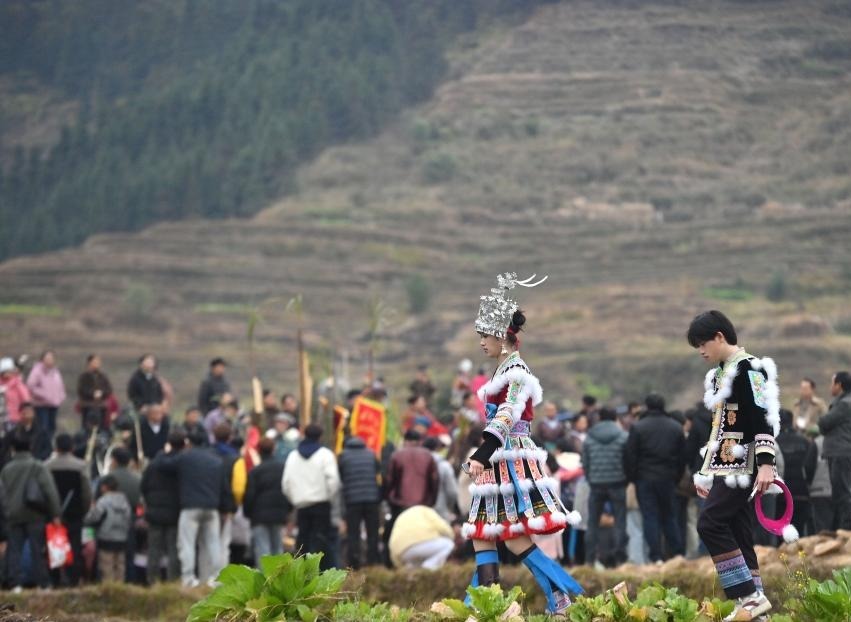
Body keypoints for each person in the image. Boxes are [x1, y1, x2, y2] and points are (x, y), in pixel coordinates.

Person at [462, 273, 582, 615]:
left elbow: (507, 415)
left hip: (508, 457)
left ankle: (558, 592)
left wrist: (481, 455)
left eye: (484, 335)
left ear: (502, 335)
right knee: (483, 532)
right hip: (496, 458)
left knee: (511, 535)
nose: (481, 342)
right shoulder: (502, 370)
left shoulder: (517, 371)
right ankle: (487, 605)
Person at [688, 310, 778, 620]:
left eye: (702, 343)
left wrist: (766, 463)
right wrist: (707, 472)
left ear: (719, 337)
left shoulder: (750, 368)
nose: (701, 351)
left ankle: (748, 596)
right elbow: (718, 428)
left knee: (709, 523)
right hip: (724, 464)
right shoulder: (719, 373)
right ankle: (756, 607)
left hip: (746, 463)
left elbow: (762, 415)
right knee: (739, 532)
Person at [159, 429, 232, 587]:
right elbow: (224, 486)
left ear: (188, 443)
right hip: (212, 507)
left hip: (190, 507)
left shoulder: (185, 457)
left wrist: (165, 452)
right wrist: (226, 508)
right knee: (213, 543)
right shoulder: (216, 460)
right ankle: (215, 579)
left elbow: (164, 465)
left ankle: (189, 579)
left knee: (187, 544)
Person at [624, 393, 685, 563]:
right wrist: (677, 477)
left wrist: (633, 478)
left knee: (650, 517)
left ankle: (656, 556)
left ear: (647, 406)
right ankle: (678, 553)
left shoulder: (638, 427)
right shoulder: (675, 427)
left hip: (645, 478)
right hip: (668, 478)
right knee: (670, 516)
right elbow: (682, 456)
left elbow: (630, 456)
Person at [1, 428, 62, 591]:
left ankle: (14, 584)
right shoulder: (38, 466)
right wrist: (55, 513)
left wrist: (6, 513)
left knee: (14, 551)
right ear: (30, 448)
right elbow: (50, 491)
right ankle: (43, 583)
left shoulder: (7, 470)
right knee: (37, 550)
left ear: (13, 450)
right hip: (35, 513)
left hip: (13, 514)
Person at [282, 423, 340, 570]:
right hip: (321, 504)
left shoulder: (293, 456)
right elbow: (333, 480)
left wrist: (295, 499)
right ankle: (321, 573)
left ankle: (302, 573)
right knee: (321, 541)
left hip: (301, 505)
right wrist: (329, 497)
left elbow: (286, 483)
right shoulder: (325, 455)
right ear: (320, 437)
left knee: (303, 541)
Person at [582, 407, 628, 568]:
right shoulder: (622, 435)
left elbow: (585, 463)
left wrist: (591, 478)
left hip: (596, 484)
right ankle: (620, 559)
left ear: (600, 418)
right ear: (615, 417)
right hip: (618, 483)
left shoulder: (589, 437)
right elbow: (627, 460)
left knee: (592, 523)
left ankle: (589, 560)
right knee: (620, 522)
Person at [46, 433, 92, 586]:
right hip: (75, 513)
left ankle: (55, 580)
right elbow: (86, 493)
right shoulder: (81, 466)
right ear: (72, 447)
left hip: (52, 515)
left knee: (54, 546)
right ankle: (73, 579)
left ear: (55, 447)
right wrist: (84, 511)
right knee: (75, 546)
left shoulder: (47, 466)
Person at [142, 430, 184, 584]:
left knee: (154, 550)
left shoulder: (153, 464)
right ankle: (173, 581)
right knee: (173, 549)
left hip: (154, 513)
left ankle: (152, 581)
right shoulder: (181, 464)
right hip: (174, 513)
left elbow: (144, 486)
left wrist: (150, 503)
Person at [338, 434, 382, 569]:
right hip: (371, 498)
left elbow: (340, 477)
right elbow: (378, 470)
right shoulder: (371, 454)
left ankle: (354, 564)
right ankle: (372, 562)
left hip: (352, 500)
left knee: (353, 533)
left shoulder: (342, 456)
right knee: (372, 532)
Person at [243, 437, 289, 564]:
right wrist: (288, 509)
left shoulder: (255, 472)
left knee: (262, 549)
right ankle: (279, 579)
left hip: (259, 515)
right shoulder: (283, 468)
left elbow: (249, 495)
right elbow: (288, 489)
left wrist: (248, 513)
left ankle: (264, 580)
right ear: (274, 449)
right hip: (279, 512)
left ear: (259, 451)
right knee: (278, 548)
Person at [818, 371, 851, 530]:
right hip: (842, 452)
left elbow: (824, 423)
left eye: (832, 383)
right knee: (842, 492)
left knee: (842, 493)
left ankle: (846, 529)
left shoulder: (844, 404)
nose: (831, 387)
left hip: (840, 452)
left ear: (839, 385)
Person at [775, 409, 816, 536]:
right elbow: (811, 466)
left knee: (781, 532)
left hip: (781, 496)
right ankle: (801, 555)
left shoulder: (773, 443)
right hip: (802, 493)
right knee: (799, 532)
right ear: (792, 422)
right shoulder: (805, 441)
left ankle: (781, 556)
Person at [85, 474, 132, 583]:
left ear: (104, 487)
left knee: (107, 568)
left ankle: (109, 590)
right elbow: (129, 519)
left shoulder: (103, 501)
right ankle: (120, 591)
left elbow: (93, 518)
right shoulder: (124, 501)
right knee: (120, 567)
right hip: (122, 539)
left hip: (106, 539)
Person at [389, 505, 455, 570]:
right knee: (448, 544)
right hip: (421, 542)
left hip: (402, 552)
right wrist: (452, 537)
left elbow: (392, 542)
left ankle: (416, 575)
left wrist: (399, 564)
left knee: (415, 566)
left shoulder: (401, 516)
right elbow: (442, 527)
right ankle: (429, 568)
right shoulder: (425, 510)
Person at [26, 350, 66, 439]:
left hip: (54, 404)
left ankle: (49, 446)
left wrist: (61, 396)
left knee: (52, 427)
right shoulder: (37, 371)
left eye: (51, 358)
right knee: (43, 427)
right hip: (41, 405)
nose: (50, 360)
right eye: (47, 358)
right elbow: (31, 386)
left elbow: (60, 386)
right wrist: (44, 395)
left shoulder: (55, 371)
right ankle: (42, 446)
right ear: (42, 359)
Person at [424, 436, 458, 523]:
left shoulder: (416, 463)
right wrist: (449, 507)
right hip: (440, 510)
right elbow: (452, 491)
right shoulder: (444, 465)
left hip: (417, 511)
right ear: (437, 448)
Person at [76, 354, 114, 430]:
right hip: (87, 406)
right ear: (89, 363)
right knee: (87, 428)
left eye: (98, 362)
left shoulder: (103, 376)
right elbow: (81, 390)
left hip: (101, 406)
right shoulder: (84, 377)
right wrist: (93, 394)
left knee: (101, 428)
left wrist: (101, 393)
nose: (97, 364)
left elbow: (109, 389)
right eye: (95, 362)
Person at [0, 357, 31, 427]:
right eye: (5, 372)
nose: (7, 374)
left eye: (9, 371)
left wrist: (25, 410)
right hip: (2, 417)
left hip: (15, 417)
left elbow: (26, 398)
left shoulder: (17, 383)